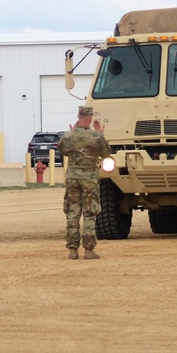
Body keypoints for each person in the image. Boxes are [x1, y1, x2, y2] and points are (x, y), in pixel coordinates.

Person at [57, 106, 111, 260]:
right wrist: (101, 134)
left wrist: (72, 132)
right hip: (89, 178)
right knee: (89, 213)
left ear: (78, 117)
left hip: (72, 177)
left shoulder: (68, 136)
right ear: (90, 118)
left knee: (72, 212)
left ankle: (73, 250)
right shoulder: (95, 137)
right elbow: (106, 154)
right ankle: (88, 250)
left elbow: (62, 150)